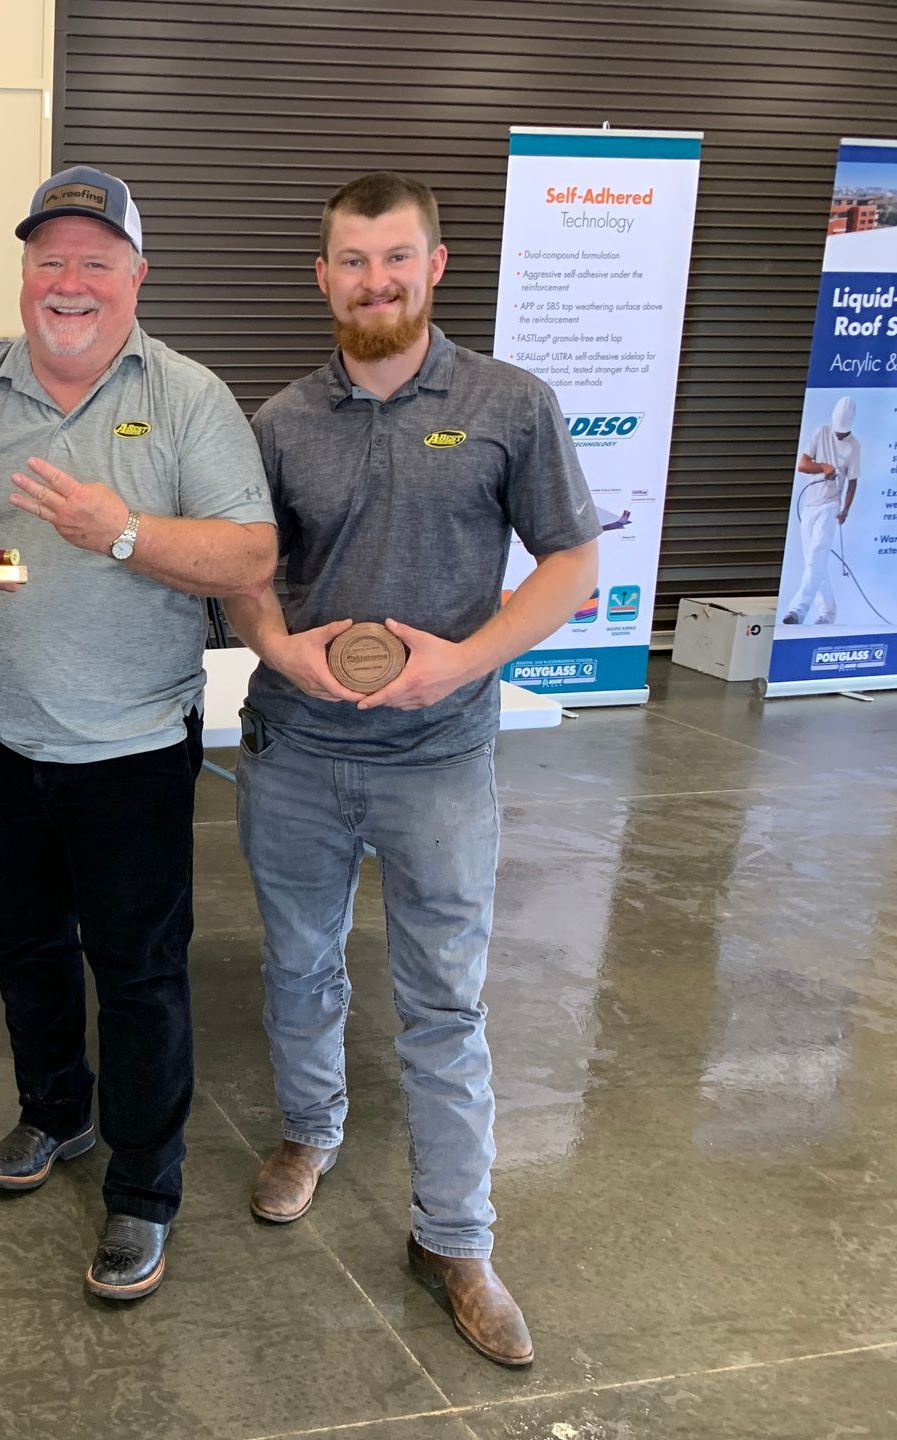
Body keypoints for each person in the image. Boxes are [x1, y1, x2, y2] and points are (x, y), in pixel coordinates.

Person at [225, 172, 599, 1368]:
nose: (374, 280)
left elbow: (572, 565)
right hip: (293, 753)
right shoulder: (279, 422)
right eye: (351, 260)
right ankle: (310, 1132)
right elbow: (247, 578)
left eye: (396, 258)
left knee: (445, 1004)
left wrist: (466, 660)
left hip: (441, 758)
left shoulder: (509, 404)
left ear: (436, 265)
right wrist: (279, 648)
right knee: (299, 966)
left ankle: (457, 1239)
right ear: (321, 276)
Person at [0, 166, 276, 1300]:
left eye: (95, 262)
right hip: (4, 741)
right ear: (24, 275)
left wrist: (122, 533)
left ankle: (142, 1191)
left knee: (144, 975)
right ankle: (55, 1114)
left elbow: (250, 557)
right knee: (24, 951)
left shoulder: (192, 398)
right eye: (50, 260)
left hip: (137, 752)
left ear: (135, 277)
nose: (71, 282)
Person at [782, 396, 861, 625]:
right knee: (813, 561)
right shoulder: (821, 432)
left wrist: (845, 509)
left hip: (831, 506)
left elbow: (853, 481)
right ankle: (828, 612)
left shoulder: (855, 447)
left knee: (817, 554)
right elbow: (803, 464)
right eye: (837, 431)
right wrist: (823, 467)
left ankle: (797, 610)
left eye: (843, 433)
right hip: (809, 505)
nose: (839, 435)